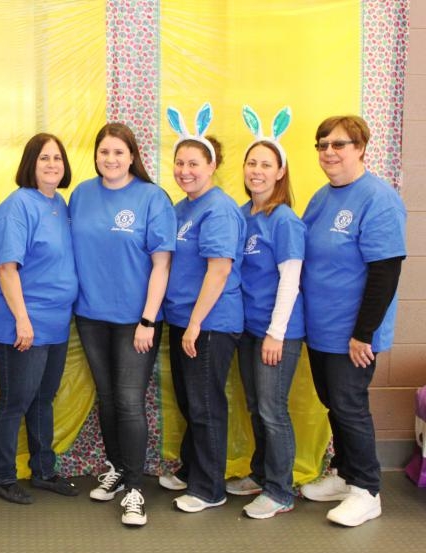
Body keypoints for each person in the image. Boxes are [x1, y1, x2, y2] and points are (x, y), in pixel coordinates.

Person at [299, 115, 406, 527]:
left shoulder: (378, 198)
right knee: (334, 404)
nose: (329, 152)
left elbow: (385, 271)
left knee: (350, 405)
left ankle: (367, 490)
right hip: (321, 328)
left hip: (354, 334)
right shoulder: (321, 197)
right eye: (322, 144)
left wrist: (364, 334)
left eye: (339, 144)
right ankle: (344, 475)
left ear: (361, 147)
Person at [70, 123, 175, 526]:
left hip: (137, 320)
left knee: (130, 401)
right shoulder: (81, 195)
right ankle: (116, 469)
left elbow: (161, 265)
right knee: (109, 397)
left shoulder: (152, 198)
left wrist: (148, 319)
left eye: (118, 152)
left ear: (132, 156)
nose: (110, 159)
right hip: (92, 316)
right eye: (103, 152)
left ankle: (134, 489)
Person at [0, 133, 79, 505]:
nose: (52, 164)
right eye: (43, 158)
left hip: (54, 320)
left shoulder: (59, 203)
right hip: (24, 320)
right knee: (15, 400)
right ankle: (2, 477)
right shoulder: (17, 206)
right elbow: (6, 268)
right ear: (29, 165)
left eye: (57, 157)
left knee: (43, 399)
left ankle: (44, 470)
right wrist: (22, 319)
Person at [162, 103, 246, 513]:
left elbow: (219, 269)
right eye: (179, 163)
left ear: (211, 165)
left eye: (193, 163)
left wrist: (195, 324)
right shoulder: (182, 209)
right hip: (183, 321)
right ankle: (192, 468)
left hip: (210, 323)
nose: (185, 171)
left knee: (206, 403)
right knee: (190, 400)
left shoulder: (219, 208)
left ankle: (209, 488)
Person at [225, 106, 306, 519]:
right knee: (256, 407)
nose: (257, 170)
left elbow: (290, 281)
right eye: (251, 163)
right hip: (250, 329)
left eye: (266, 164)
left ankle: (280, 491)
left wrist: (276, 332)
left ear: (280, 173)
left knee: (273, 409)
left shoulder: (284, 220)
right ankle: (260, 474)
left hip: (278, 331)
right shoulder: (241, 216)